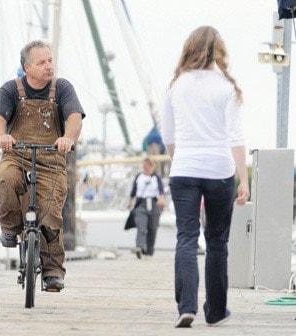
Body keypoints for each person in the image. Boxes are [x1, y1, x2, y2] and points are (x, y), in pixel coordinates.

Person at [161, 26, 249, 328]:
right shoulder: (226, 87)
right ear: (219, 51)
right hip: (219, 171)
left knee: (186, 238)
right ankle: (215, 312)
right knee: (217, 242)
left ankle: (186, 307)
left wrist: (180, 161)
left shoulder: (176, 85)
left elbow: (168, 134)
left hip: (184, 168)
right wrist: (244, 180)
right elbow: (236, 137)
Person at [0, 40, 85, 291]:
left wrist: (68, 138)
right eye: (41, 62)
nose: (49, 66)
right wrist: (2, 136)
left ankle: (52, 271)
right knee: (5, 179)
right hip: (16, 154)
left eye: (50, 60)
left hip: (51, 158)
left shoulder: (62, 88)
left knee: (50, 212)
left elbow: (74, 116)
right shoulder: (11, 89)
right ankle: (10, 228)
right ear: (26, 67)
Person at [126, 157, 166, 258]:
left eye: (147, 165)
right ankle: (140, 247)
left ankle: (149, 251)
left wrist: (162, 198)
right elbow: (133, 191)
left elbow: (161, 191)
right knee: (141, 226)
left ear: (152, 166)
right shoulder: (139, 177)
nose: (145, 167)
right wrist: (130, 201)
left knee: (152, 228)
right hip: (141, 203)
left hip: (154, 204)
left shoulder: (156, 178)